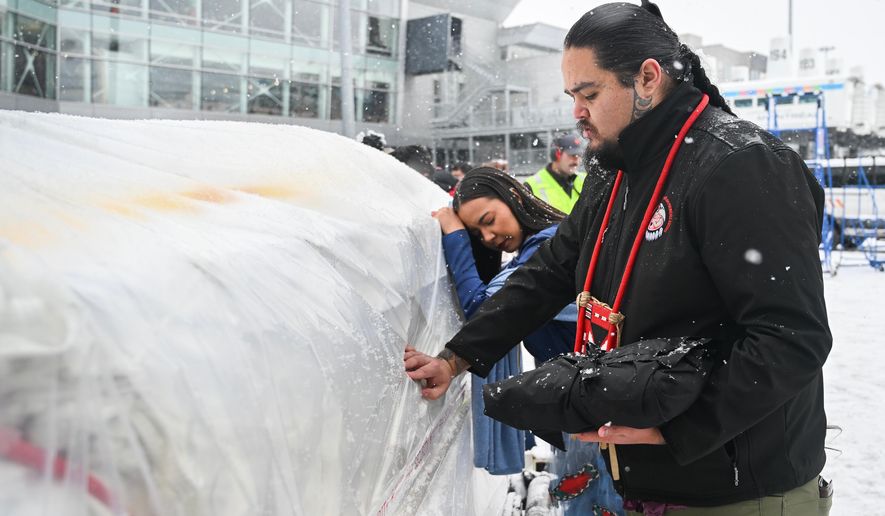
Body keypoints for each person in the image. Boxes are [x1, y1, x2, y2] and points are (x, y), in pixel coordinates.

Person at [404, 2, 832, 515]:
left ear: (647, 79)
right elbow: (552, 271)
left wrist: (676, 428)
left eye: (589, 93)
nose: (576, 113)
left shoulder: (740, 166)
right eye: (572, 96)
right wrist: (458, 357)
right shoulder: (615, 170)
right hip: (650, 482)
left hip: (739, 491)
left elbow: (790, 339)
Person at [420, 167, 623, 515]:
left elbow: (488, 310)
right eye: (476, 233)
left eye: (489, 219)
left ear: (513, 198)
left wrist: (455, 235)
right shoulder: (544, 244)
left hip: (596, 408)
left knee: (595, 503)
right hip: (587, 403)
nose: (487, 236)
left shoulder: (546, 248)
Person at [524, 133, 587, 214]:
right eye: (572, 155)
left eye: (579, 155)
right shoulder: (531, 185)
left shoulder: (586, 180)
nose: (577, 160)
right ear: (557, 154)